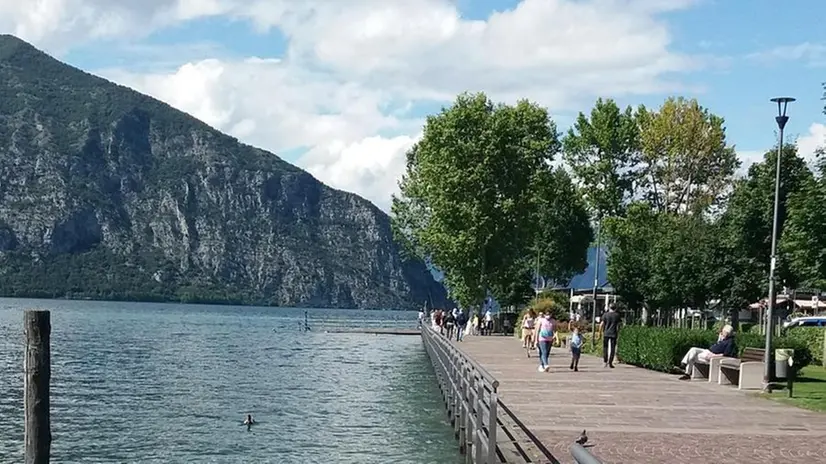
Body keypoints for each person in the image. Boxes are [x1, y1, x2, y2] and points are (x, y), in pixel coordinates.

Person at [598, 304, 622, 368]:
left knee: (605, 347)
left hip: (606, 333)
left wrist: (599, 333)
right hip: (614, 333)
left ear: (609, 308)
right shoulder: (617, 315)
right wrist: (619, 332)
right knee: (612, 348)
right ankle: (610, 362)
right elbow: (619, 325)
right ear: (615, 308)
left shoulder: (605, 315)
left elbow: (601, 324)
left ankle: (605, 361)